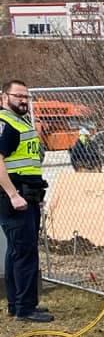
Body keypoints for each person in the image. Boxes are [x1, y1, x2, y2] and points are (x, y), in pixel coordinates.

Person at [0, 79, 53, 323]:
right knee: (25, 253)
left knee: (16, 252)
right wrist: (12, 194)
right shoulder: (6, 123)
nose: (23, 100)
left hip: (27, 195)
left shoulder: (21, 121)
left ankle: (17, 304)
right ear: (4, 97)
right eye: (18, 95)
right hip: (15, 196)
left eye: (26, 96)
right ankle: (25, 308)